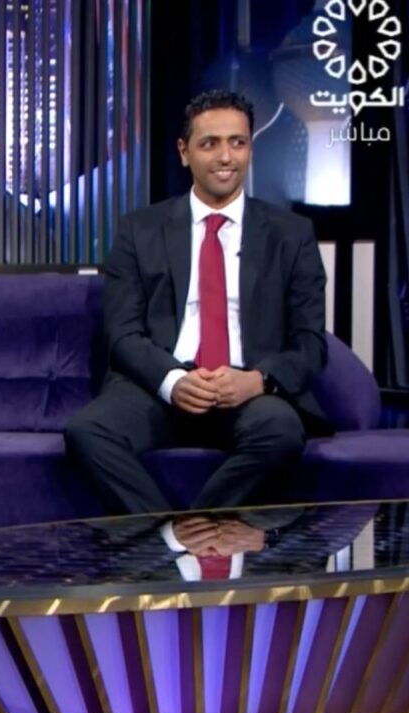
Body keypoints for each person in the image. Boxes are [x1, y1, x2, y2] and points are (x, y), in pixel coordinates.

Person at [65, 90, 329, 518]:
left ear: (250, 149)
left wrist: (258, 380)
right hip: (161, 387)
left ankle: (176, 540)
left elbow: (310, 344)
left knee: (281, 432)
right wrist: (173, 380)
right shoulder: (139, 230)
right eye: (210, 143)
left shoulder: (291, 235)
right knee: (87, 432)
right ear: (184, 152)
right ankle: (177, 544)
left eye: (237, 142)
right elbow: (122, 333)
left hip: (246, 391)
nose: (226, 157)